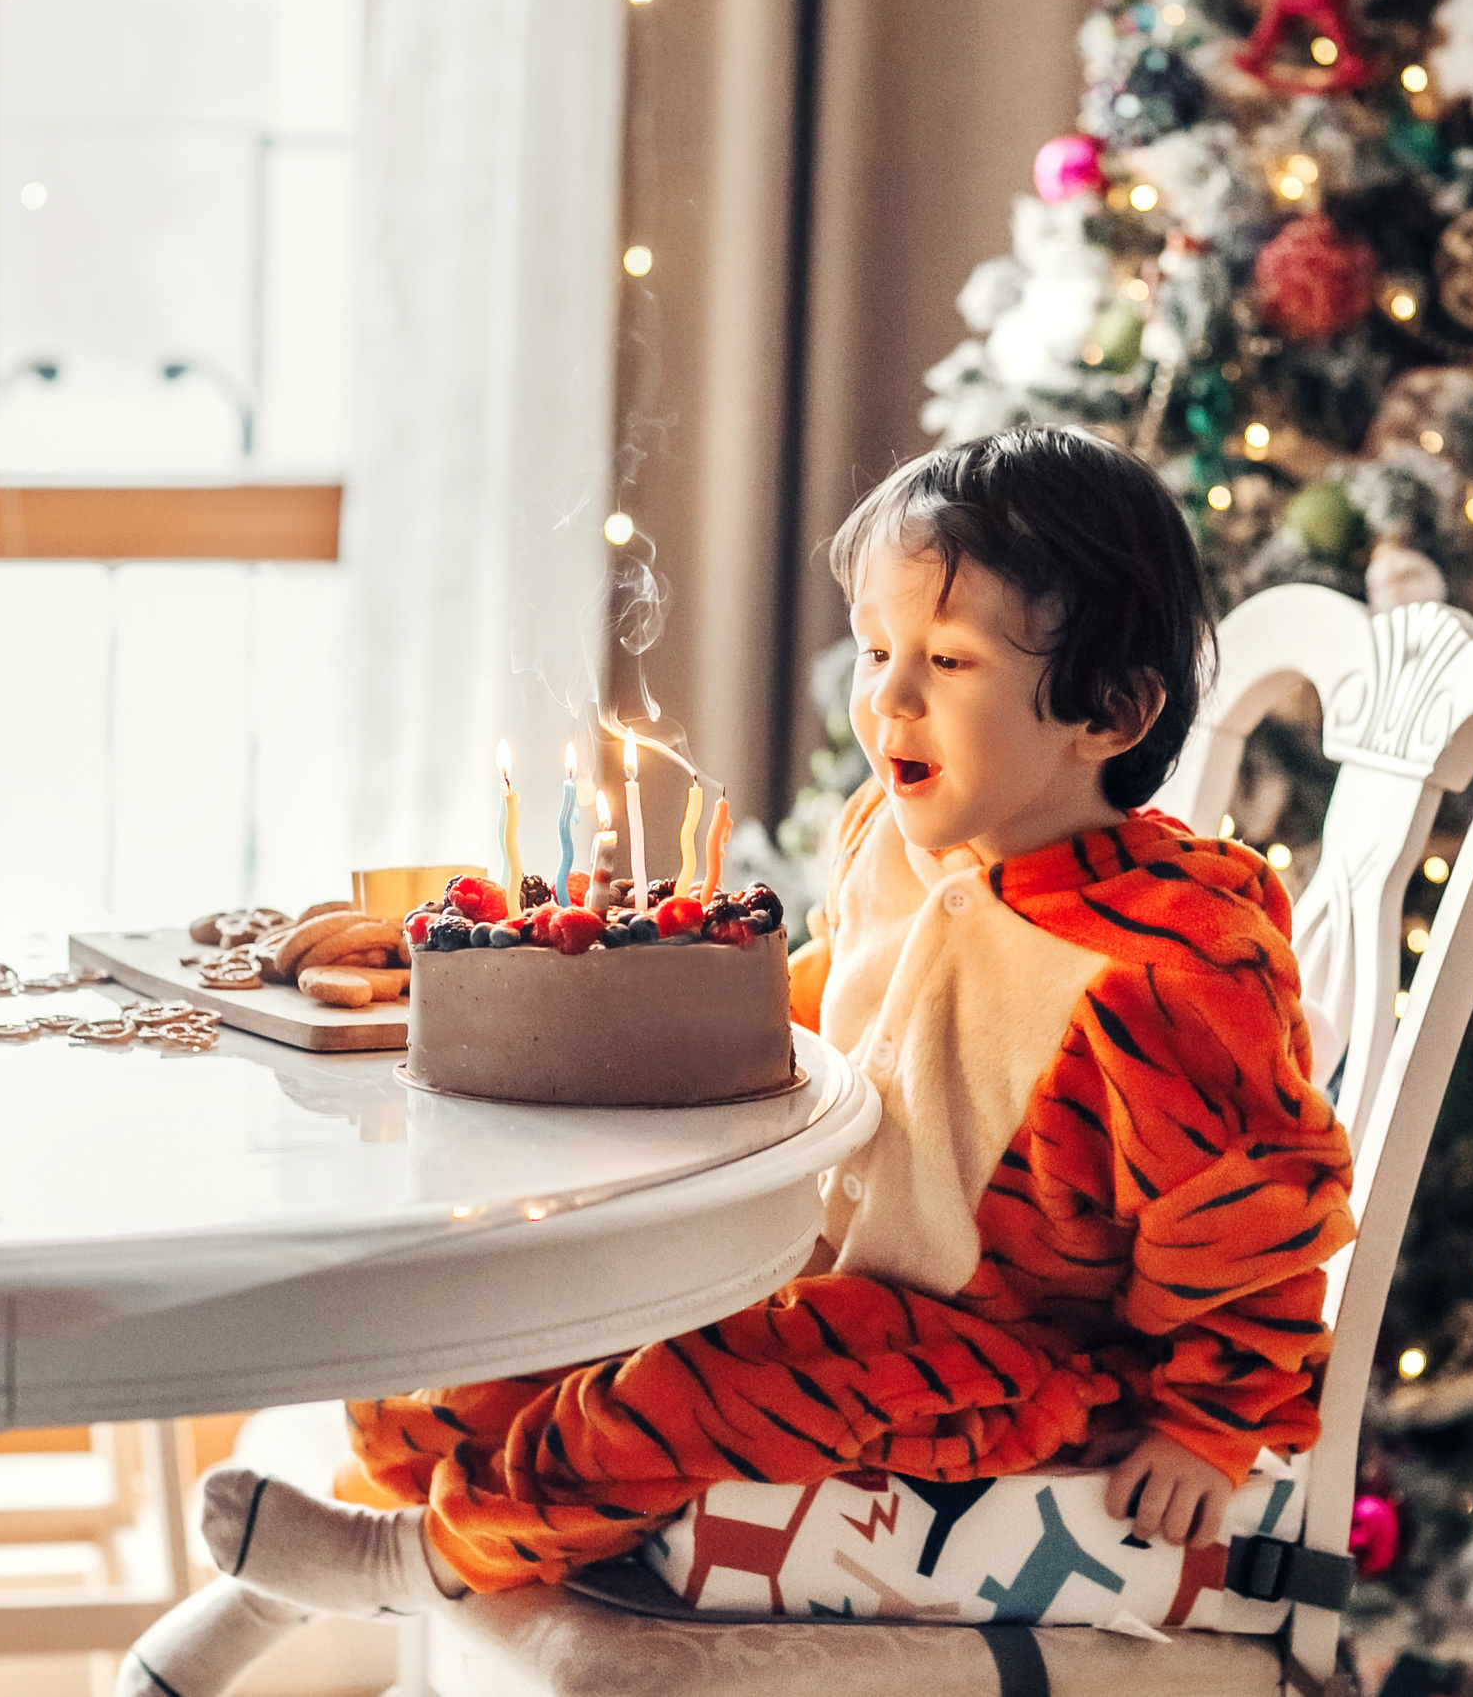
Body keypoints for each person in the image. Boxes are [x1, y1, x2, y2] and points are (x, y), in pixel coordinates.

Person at [121, 425, 1355, 1696]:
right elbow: (829, 1018)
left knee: (695, 1385)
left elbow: (1257, 1218)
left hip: (1003, 1350)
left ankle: (416, 1560)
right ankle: (282, 1589)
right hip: (799, 1258)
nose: (888, 699)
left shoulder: (1173, 968)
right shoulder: (892, 838)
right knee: (508, 1308)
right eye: (879, 653)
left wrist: (1210, 1426)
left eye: (946, 661)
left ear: (1113, 711)